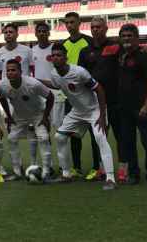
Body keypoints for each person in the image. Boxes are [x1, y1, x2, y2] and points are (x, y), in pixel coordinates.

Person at [44, 44, 116, 191]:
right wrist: (37, 80)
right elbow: (57, 85)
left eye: (59, 55)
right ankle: (66, 174)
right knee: (59, 137)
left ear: (66, 57)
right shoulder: (54, 73)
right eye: (54, 56)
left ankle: (110, 178)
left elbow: (99, 89)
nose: (56, 58)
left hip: (94, 110)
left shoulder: (79, 72)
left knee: (100, 138)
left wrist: (102, 115)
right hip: (77, 111)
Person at [77, 17, 122, 181]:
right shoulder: (84, 51)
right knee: (98, 137)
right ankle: (100, 169)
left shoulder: (116, 47)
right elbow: (81, 76)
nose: (95, 29)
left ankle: (124, 169)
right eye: (93, 27)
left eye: (98, 27)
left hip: (115, 100)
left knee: (120, 136)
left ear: (106, 28)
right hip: (94, 102)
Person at [0, 59, 54, 182]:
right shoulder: (2, 85)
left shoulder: (33, 84)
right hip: (19, 116)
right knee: (11, 139)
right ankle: (17, 172)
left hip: (38, 114)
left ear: (20, 71)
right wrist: (9, 116)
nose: (10, 72)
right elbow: (1, 98)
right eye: (8, 70)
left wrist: (45, 117)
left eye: (13, 70)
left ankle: (46, 172)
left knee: (43, 138)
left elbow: (50, 96)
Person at [117, 24, 147, 184]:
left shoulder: (144, 54)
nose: (126, 38)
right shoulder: (119, 53)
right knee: (129, 142)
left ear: (136, 38)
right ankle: (134, 174)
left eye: (129, 36)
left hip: (141, 106)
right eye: (124, 36)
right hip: (124, 108)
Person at [0, 23, 37, 168]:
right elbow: (0, 73)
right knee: (12, 131)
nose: (8, 34)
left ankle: (34, 164)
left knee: (32, 130)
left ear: (17, 33)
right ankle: (17, 167)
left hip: (26, 94)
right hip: (9, 95)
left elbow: (32, 70)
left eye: (11, 32)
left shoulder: (26, 50)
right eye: (5, 32)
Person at [60, 11, 93, 178]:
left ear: (79, 22)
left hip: (88, 94)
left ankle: (97, 167)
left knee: (95, 133)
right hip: (71, 96)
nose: (69, 25)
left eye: (72, 22)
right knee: (73, 133)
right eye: (67, 23)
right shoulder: (64, 44)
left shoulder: (88, 42)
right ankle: (77, 167)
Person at [30, 21, 60, 176]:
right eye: (39, 31)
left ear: (49, 33)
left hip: (56, 94)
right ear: (35, 33)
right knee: (42, 130)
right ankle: (46, 165)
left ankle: (62, 164)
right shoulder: (32, 51)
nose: (41, 33)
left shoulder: (55, 49)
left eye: (44, 30)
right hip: (38, 96)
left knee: (57, 130)